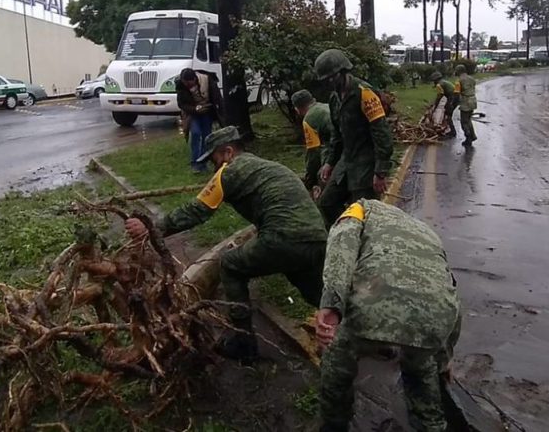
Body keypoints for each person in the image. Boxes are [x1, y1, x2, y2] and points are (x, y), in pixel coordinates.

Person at [123, 126, 328, 362]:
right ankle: (356, 326)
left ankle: (243, 342)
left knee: (231, 265)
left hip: (283, 237)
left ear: (228, 152)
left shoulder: (229, 171)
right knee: (313, 287)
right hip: (316, 235)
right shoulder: (265, 166)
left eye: (214, 159)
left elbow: (196, 211)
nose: (213, 167)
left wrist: (150, 229)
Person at [315, 199, 461, 432]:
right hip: (433, 320)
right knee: (421, 373)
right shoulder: (426, 233)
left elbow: (342, 249)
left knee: (338, 364)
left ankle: (334, 424)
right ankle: (432, 424)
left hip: (372, 307)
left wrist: (332, 305)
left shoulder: (360, 208)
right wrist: (444, 360)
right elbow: (449, 291)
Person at [313, 49, 394, 228]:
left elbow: (381, 133)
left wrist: (380, 172)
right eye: (325, 80)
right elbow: (336, 134)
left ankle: (364, 246)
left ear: (342, 72)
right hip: (346, 161)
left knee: (365, 214)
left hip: (366, 162)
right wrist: (329, 162)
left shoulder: (364, 93)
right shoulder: (334, 98)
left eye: (331, 78)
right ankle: (343, 235)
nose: (328, 82)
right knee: (327, 203)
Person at [176, 68, 223, 172]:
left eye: (189, 83)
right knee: (196, 133)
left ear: (194, 79)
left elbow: (216, 97)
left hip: (208, 111)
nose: (187, 86)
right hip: (192, 114)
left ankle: (203, 163)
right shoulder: (181, 85)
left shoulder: (207, 80)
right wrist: (195, 109)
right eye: (185, 83)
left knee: (207, 137)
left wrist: (217, 110)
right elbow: (181, 104)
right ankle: (195, 162)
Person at [292, 89, 332, 198]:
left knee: (323, 178)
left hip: (335, 148)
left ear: (297, 108)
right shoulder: (326, 106)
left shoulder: (309, 119)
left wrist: (310, 180)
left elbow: (313, 152)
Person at [455, 62, 478, 147]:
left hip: (465, 102)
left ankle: (468, 138)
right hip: (473, 101)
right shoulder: (471, 78)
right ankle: (473, 136)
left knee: (464, 122)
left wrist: (454, 104)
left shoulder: (459, 81)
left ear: (458, 71)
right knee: (468, 120)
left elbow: (457, 94)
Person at [430, 70, 458, 138]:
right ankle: (450, 129)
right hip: (454, 97)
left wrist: (435, 106)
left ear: (436, 80)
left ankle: (453, 132)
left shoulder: (439, 84)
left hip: (453, 98)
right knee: (447, 111)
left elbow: (440, 96)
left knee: (448, 114)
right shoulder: (443, 82)